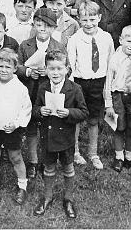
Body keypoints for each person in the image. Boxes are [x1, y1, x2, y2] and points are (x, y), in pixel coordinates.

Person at [32, 48, 89, 219]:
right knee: (49, 167)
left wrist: (70, 113)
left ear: (67, 69)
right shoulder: (42, 87)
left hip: (66, 137)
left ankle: (68, 199)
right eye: (51, 68)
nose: (55, 72)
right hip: (48, 137)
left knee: (68, 167)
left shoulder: (75, 88)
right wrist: (41, 110)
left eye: (59, 68)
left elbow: (84, 112)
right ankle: (47, 197)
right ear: (46, 69)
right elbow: (34, 110)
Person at [0, 46, 32, 203]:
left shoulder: (20, 89)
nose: (3, 70)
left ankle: (22, 186)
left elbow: (26, 110)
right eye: (0, 66)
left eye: (8, 67)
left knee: (15, 156)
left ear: (15, 69)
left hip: (11, 129)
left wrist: (16, 124)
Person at [66, 0, 114, 169]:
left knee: (94, 119)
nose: (88, 24)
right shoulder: (74, 39)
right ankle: (75, 152)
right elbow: (70, 66)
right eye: (84, 20)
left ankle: (93, 153)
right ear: (79, 19)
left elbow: (110, 64)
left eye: (92, 19)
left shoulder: (106, 38)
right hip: (79, 83)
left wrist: (107, 88)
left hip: (98, 82)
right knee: (77, 119)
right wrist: (71, 89)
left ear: (99, 18)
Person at [104, 25, 131, 172]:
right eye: (128, 41)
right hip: (118, 96)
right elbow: (108, 82)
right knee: (119, 127)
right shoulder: (115, 59)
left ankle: (130, 156)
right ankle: (119, 157)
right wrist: (108, 104)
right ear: (121, 40)